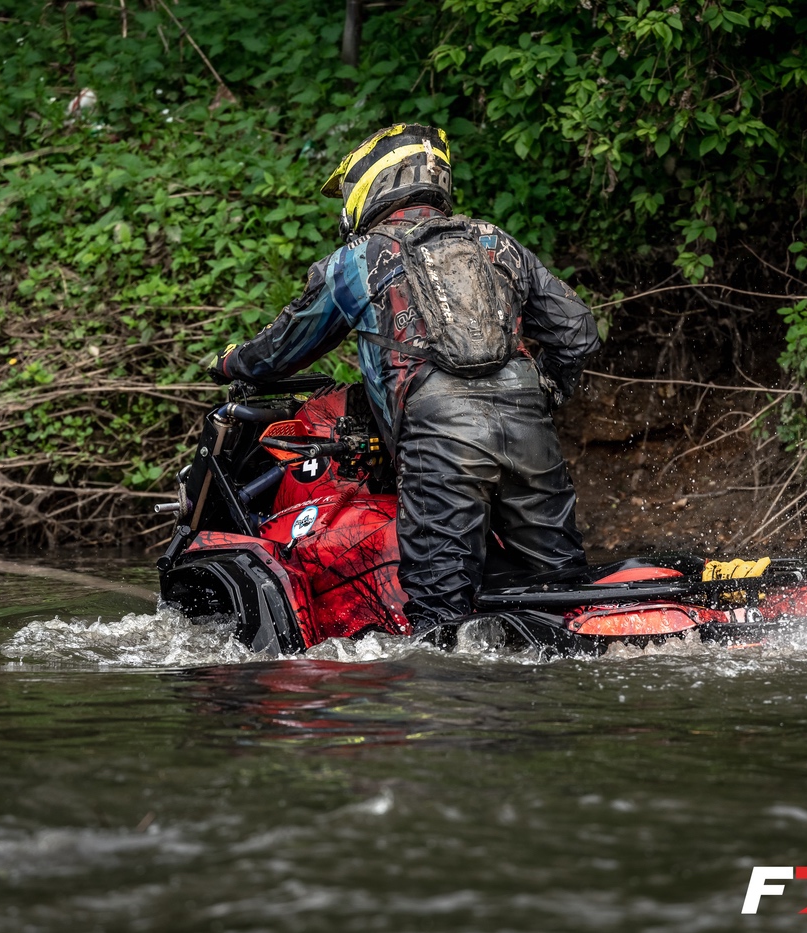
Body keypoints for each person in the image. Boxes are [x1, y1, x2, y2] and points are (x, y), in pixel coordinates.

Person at [210, 123, 600, 641]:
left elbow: (282, 349)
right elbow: (577, 332)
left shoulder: (358, 259)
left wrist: (230, 363)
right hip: (529, 429)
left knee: (439, 618)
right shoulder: (494, 241)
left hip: (440, 441)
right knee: (565, 595)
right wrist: (545, 393)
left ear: (374, 183)